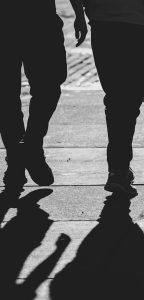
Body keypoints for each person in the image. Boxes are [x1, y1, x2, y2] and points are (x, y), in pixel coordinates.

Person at [82, 0, 144, 196]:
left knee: (115, 99)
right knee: (129, 101)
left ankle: (117, 169)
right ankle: (118, 170)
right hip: (140, 24)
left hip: (104, 24)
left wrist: (86, 12)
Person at [0, 0, 87, 189]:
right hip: (36, 20)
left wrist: (79, 14)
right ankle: (21, 155)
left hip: (35, 20)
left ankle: (27, 148)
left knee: (40, 87)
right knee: (12, 94)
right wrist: (79, 13)